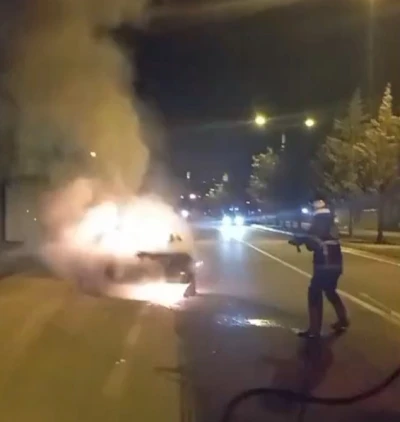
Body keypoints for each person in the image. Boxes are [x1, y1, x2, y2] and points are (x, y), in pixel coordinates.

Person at [290, 197, 349, 339]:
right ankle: (343, 320)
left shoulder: (318, 221)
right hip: (336, 263)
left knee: (314, 293)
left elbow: (312, 244)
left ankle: (314, 330)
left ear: (315, 206)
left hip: (324, 263)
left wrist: (299, 240)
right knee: (330, 290)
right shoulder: (331, 220)